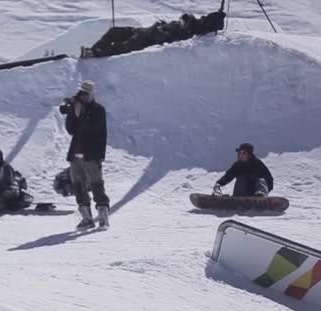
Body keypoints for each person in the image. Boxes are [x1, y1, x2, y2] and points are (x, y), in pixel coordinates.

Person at [61, 81, 110, 229]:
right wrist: (71, 114)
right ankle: (87, 218)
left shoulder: (98, 110)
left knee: (96, 185)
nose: (83, 96)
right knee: (78, 186)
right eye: (81, 93)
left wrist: (80, 114)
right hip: (76, 154)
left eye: (86, 93)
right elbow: (71, 130)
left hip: (92, 154)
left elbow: (94, 130)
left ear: (91, 94)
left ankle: (103, 217)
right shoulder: (78, 108)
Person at [81, 11, 225, 58]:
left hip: (146, 40)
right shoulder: (184, 23)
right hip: (142, 31)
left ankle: (95, 54)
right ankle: (92, 49)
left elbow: (202, 27)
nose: (180, 21)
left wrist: (217, 21)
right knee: (114, 32)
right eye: (181, 19)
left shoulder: (183, 34)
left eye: (183, 22)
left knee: (121, 47)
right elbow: (203, 21)